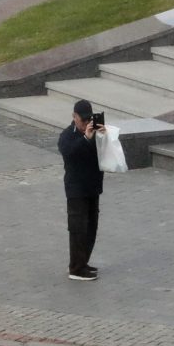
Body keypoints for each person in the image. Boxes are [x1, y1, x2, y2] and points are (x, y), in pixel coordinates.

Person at [58, 98, 104, 281]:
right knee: (78, 228)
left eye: (88, 120)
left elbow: (106, 153)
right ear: (74, 117)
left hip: (92, 187)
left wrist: (103, 136)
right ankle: (76, 268)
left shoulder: (95, 133)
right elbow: (70, 154)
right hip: (76, 189)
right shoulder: (67, 135)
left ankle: (83, 262)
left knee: (91, 227)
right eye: (81, 119)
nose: (85, 123)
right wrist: (86, 138)